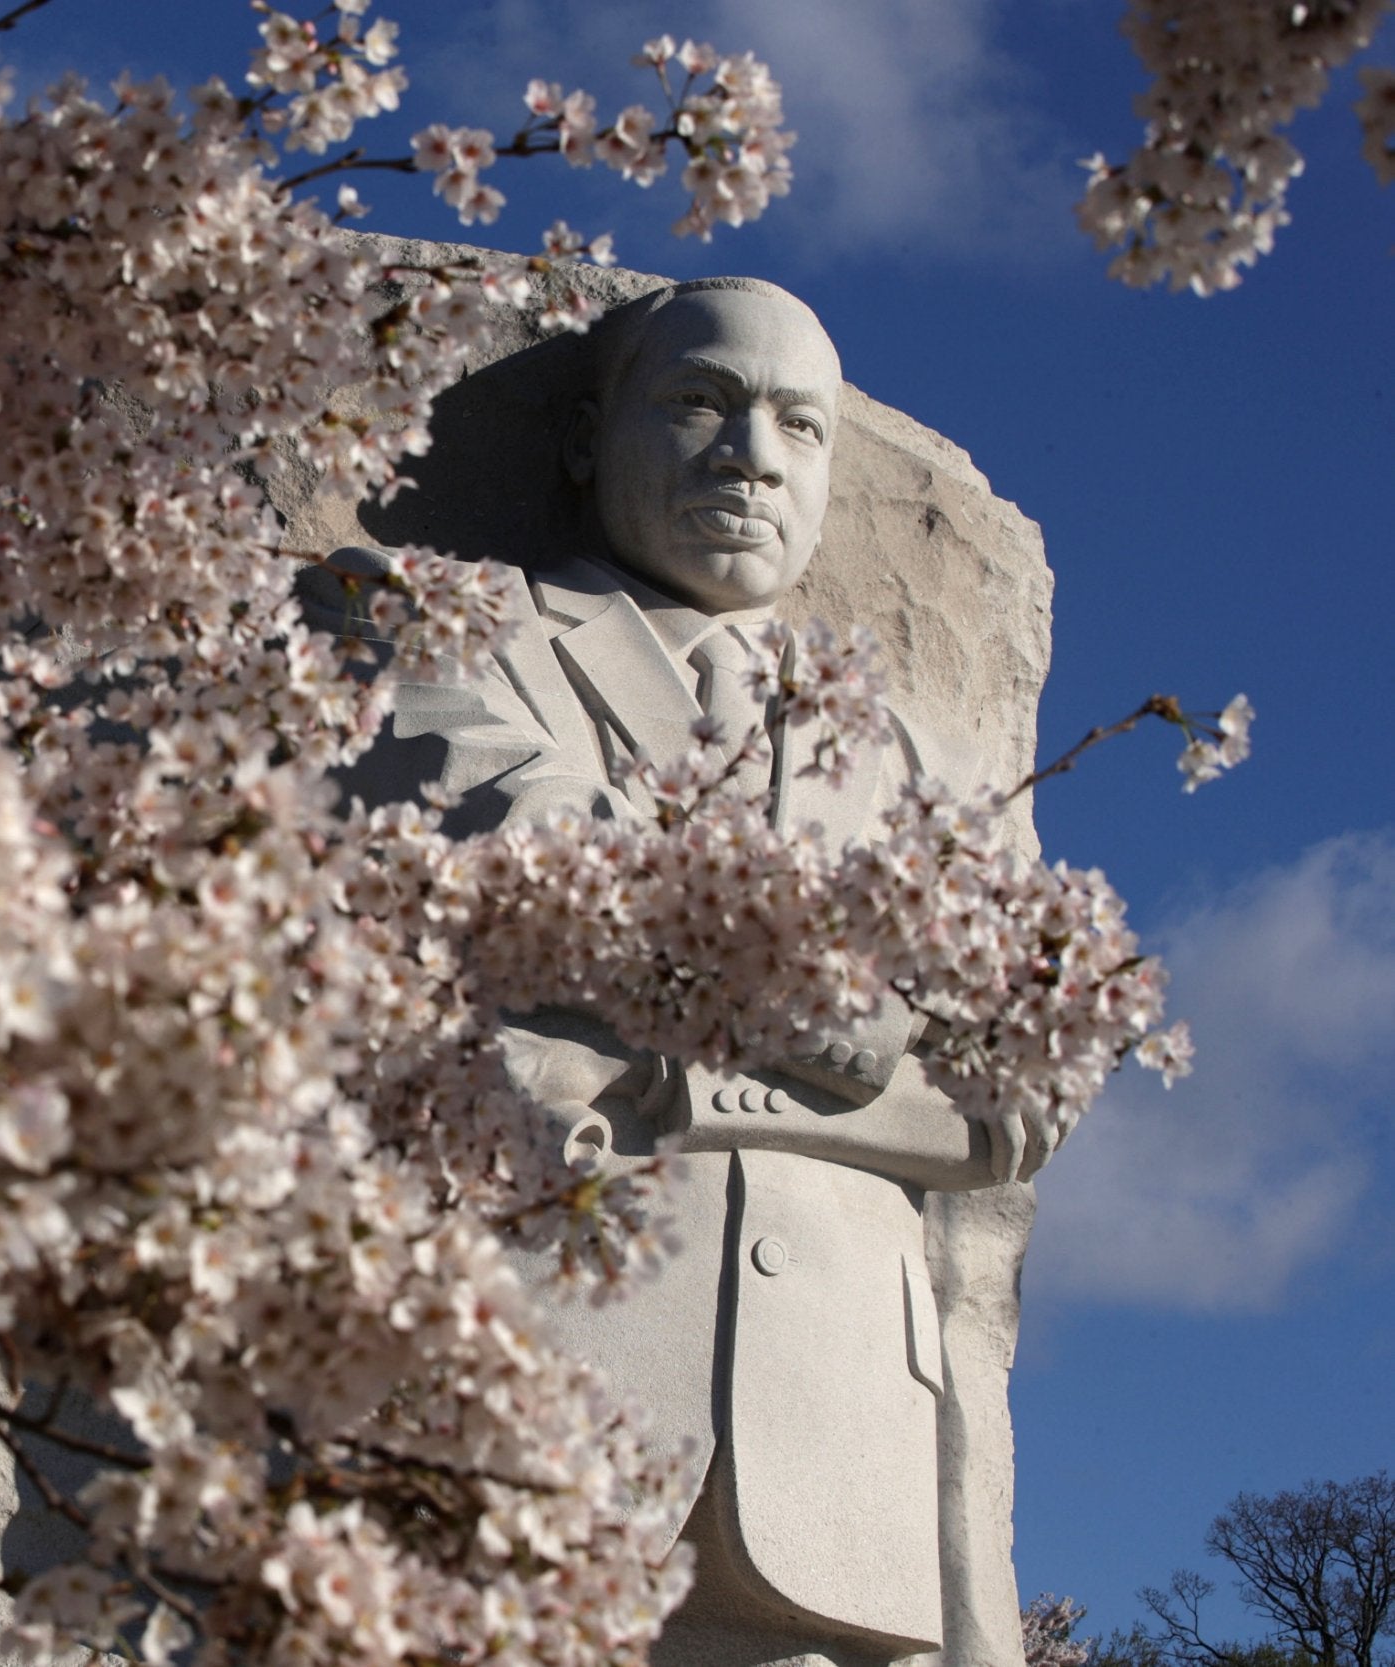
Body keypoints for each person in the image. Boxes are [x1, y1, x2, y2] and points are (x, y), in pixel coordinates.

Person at [320, 277, 1060, 1667]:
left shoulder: (915, 766)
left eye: (799, 424)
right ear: (592, 438)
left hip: (844, 1459)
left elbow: (1012, 1098)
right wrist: (843, 1026)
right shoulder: (430, 626)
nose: (752, 456)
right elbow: (530, 872)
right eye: (702, 403)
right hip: (517, 1407)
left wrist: (680, 1082)